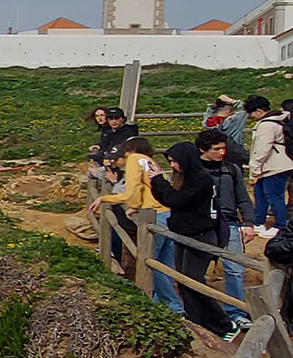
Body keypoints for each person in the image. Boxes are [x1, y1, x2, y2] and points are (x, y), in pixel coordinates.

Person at [149, 142, 231, 338]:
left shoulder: (201, 179)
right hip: (184, 235)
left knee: (193, 283)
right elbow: (170, 200)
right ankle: (197, 325)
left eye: (176, 162)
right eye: (171, 162)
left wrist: (160, 181)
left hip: (201, 236)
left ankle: (223, 325)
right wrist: (156, 183)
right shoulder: (186, 178)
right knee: (185, 283)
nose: (174, 166)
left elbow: (178, 201)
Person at [93, 136, 178, 309]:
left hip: (154, 215)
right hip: (168, 212)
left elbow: (132, 191)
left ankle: (172, 305)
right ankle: (160, 300)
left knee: (149, 261)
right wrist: (137, 206)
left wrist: (105, 198)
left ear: (129, 150)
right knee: (166, 262)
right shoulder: (151, 162)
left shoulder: (134, 159)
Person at [195, 128, 251, 331]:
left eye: (223, 148)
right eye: (217, 149)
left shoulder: (232, 169)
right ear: (203, 149)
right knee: (194, 270)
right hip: (200, 226)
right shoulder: (192, 170)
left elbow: (242, 197)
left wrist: (249, 223)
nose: (222, 153)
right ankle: (201, 312)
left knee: (235, 269)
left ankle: (236, 312)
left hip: (229, 223)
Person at [247, 95, 293, 229]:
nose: (251, 117)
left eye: (252, 113)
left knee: (274, 196)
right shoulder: (278, 121)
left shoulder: (267, 125)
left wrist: (255, 168)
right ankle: (259, 222)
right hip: (273, 166)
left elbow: (262, 149)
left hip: (274, 166)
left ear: (259, 111)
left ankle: (280, 226)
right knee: (260, 193)